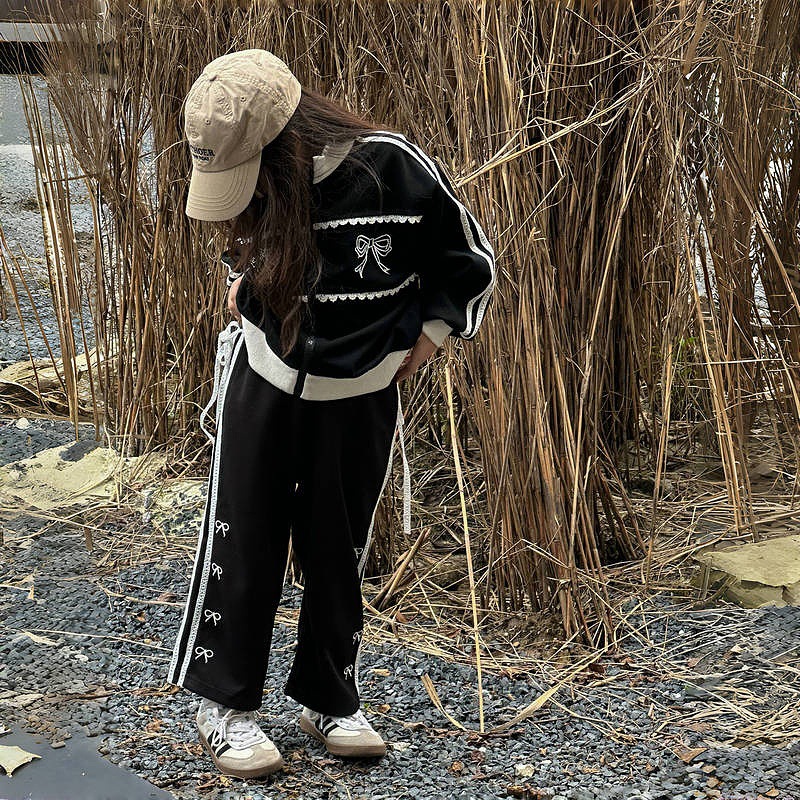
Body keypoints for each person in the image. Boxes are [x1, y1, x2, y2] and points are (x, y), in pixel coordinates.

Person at [167, 48, 495, 780]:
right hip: (264, 377)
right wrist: (244, 280)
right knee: (242, 539)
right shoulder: (266, 184)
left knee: (337, 547)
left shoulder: (394, 169)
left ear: (286, 141)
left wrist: (433, 335)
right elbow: (242, 247)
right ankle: (223, 704)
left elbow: (469, 261)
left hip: (361, 393)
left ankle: (329, 698)